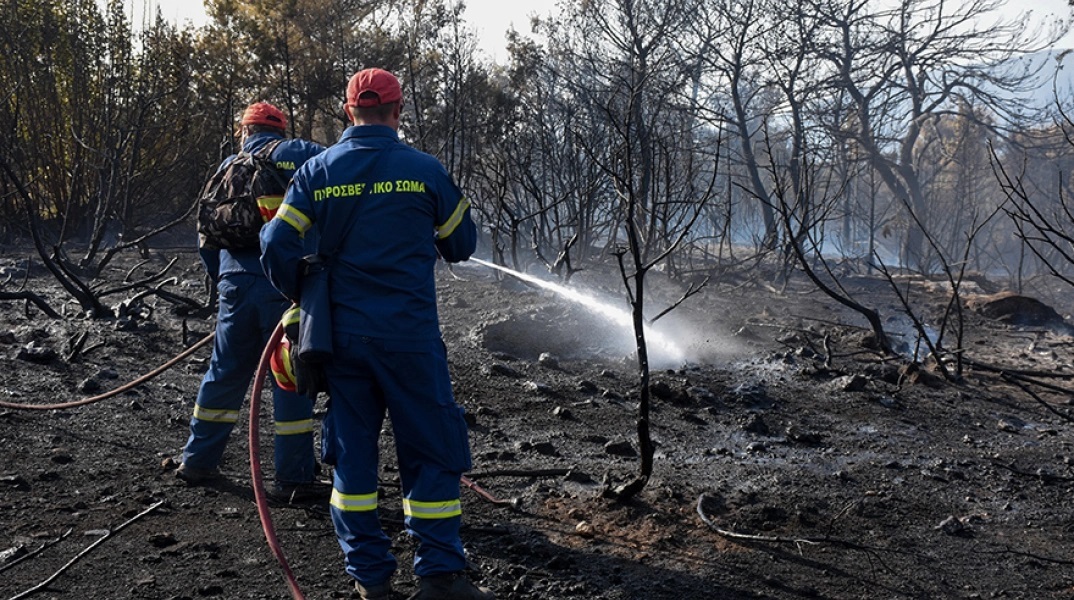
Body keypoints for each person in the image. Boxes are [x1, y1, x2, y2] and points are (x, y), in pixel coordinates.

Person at [260, 69, 493, 600]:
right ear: (397, 111)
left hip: (340, 340)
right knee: (432, 450)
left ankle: (370, 581)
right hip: (410, 338)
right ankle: (439, 576)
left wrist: (304, 294)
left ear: (348, 111)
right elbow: (460, 244)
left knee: (352, 454)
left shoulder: (317, 172)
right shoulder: (424, 170)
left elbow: (276, 244)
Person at [176, 101, 327, 501]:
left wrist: (223, 278)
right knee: (288, 378)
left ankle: (198, 461)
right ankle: (293, 479)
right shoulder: (299, 153)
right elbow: (339, 174)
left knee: (224, 372)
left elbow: (205, 233)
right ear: (280, 129)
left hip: (233, 285)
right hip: (283, 285)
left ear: (244, 131)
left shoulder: (226, 166)